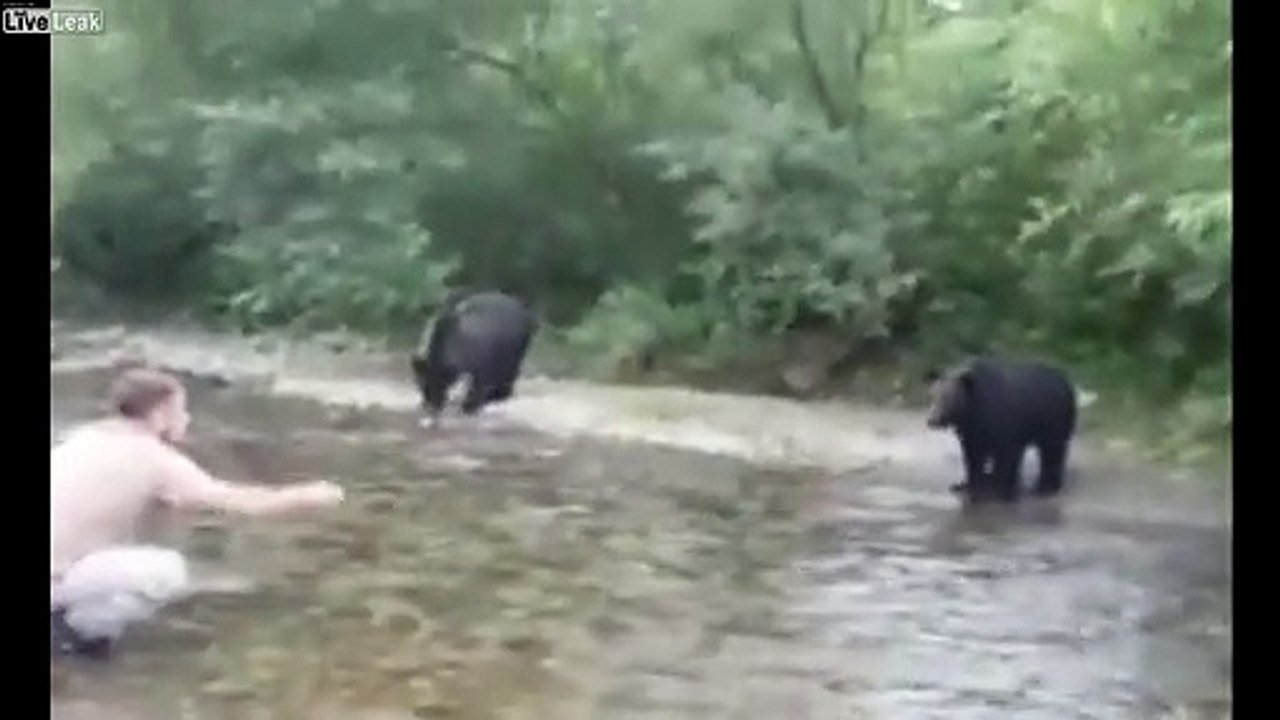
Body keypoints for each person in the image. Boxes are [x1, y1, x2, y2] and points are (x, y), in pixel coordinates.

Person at [51, 367, 345, 659]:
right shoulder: (153, 457)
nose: (187, 419)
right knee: (167, 571)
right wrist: (309, 496)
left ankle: (70, 618)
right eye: (182, 411)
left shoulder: (81, 438)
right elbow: (239, 501)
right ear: (160, 414)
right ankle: (76, 635)